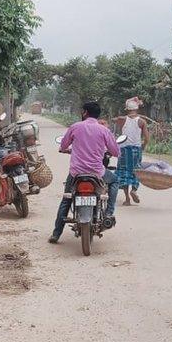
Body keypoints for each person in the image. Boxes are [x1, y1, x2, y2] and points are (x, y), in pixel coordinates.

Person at [49, 102, 121, 244]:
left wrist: (68, 149)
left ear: (85, 113)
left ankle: (56, 234)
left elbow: (63, 146)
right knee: (115, 181)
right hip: (97, 172)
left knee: (67, 200)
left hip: (76, 173)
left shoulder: (75, 127)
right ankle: (108, 213)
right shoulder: (104, 130)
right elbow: (116, 152)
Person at [114, 97, 149, 206]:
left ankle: (127, 199)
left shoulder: (122, 119)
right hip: (136, 149)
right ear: (137, 109)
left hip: (124, 149)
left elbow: (112, 119)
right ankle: (134, 190)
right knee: (136, 170)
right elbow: (147, 138)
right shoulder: (142, 121)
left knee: (124, 172)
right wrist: (143, 146)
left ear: (127, 109)